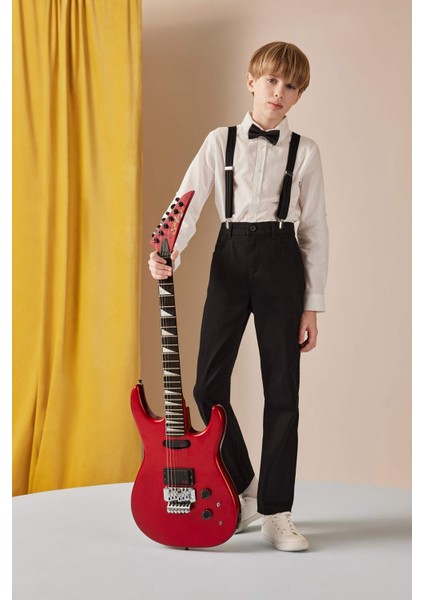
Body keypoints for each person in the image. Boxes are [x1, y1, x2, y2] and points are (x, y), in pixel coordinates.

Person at [148, 41, 329, 552]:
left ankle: (277, 511)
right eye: (271, 80)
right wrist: (168, 254)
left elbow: (315, 229)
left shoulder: (305, 152)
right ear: (251, 81)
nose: (278, 92)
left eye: (290, 86)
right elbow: (187, 202)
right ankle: (246, 486)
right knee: (207, 385)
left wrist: (312, 303)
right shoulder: (219, 141)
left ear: (298, 96)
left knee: (282, 390)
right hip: (229, 256)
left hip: (281, 261)